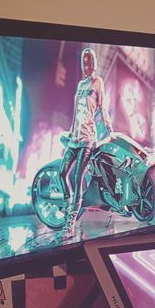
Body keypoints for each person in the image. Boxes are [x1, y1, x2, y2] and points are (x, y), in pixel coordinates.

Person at [60, 47, 113, 236]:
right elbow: (76, 113)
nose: (87, 64)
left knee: (77, 179)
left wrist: (109, 129)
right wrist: (70, 130)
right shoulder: (80, 84)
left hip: (88, 139)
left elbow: (103, 108)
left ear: (95, 63)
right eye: (85, 61)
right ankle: (68, 209)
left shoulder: (98, 82)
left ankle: (69, 224)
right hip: (74, 138)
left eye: (90, 61)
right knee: (61, 173)